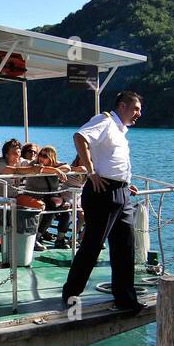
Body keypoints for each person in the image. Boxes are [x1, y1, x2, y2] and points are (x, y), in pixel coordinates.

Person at [62, 91, 144, 311]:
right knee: (93, 245)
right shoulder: (105, 121)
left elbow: (114, 162)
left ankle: (126, 299)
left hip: (121, 192)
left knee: (125, 247)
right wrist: (90, 172)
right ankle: (70, 293)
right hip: (102, 191)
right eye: (135, 108)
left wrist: (126, 184)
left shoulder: (120, 130)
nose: (139, 113)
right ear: (122, 106)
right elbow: (79, 137)